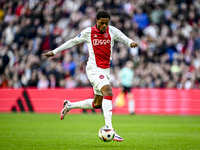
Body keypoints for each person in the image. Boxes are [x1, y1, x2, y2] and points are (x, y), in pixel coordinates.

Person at [42, 10, 138, 142]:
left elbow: (124, 38)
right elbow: (72, 42)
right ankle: (109, 128)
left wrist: (131, 42)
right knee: (108, 92)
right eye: (102, 23)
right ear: (96, 21)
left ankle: (69, 106)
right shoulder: (89, 32)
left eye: (106, 23)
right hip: (94, 69)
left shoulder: (112, 31)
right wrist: (54, 52)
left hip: (105, 71)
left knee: (97, 103)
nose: (104, 25)